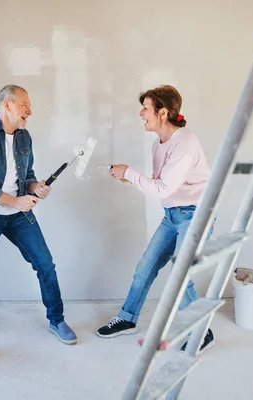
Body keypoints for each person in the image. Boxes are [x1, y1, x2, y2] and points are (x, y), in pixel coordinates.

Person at [0, 84, 77, 345]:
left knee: (45, 265)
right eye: (25, 104)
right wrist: (15, 201)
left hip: (18, 215)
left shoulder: (24, 137)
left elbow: (27, 176)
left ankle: (57, 319)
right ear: (7, 104)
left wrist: (35, 187)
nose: (30, 110)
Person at [96, 85, 215, 354]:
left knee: (180, 276)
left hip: (195, 216)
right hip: (173, 215)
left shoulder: (185, 143)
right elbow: (162, 184)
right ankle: (127, 318)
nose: (141, 113)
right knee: (145, 268)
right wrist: (128, 177)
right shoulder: (158, 144)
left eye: (146, 108)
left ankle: (201, 331)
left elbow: (161, 189)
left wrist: (131, 173)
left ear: (163, 112)